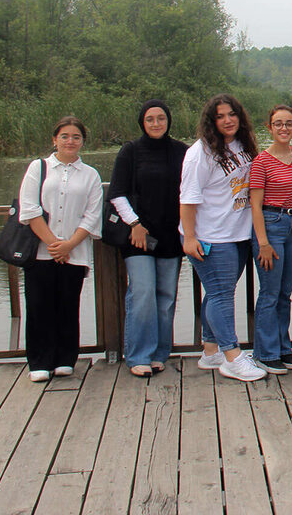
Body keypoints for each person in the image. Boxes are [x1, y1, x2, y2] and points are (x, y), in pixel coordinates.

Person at [181, 94, 264, 382]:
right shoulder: (200, 153)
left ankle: (210, 351)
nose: (227, 120)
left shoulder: (243, 145)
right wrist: (189, 237)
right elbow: (188, 198)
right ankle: (232, 356)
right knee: (221, 295)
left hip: (239, 234)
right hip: (212, 238)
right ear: (211, 121)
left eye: (232, 114)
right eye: (220, 116)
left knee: (217, 293)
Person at [18, 116, 104, 383]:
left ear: (82, 142)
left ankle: (66, 359)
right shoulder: (38, 168)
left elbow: (92, 217)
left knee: (68, 306)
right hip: (40, 251)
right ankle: (40, 361)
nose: (70, 141)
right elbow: (29, 209)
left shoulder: (90, 175)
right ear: (55, 139)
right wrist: (54, 244)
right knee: (39, 306)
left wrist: (69, 245)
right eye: (65, 136)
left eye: (76, 137)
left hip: (75, 253)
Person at [108, 100, 187, 379]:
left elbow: (191, 191)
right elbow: (117, 193)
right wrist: (135, 224)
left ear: (169, 121)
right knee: (142, 293)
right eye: (150, 119)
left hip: (171, 235)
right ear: (142, 122)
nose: (156, 123)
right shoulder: (130, 151)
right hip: (138, 236)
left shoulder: (181, 151)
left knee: (166, 298)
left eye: (161, 118)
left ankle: (158, 353)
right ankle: (138, 354)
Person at [247, 105, 292, 375]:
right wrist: (263, 243)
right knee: (270, 293)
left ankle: (284, 347)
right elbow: (255, 205)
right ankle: (265, 352)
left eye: (289, 123)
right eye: (278, 123)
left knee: (285, 293)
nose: (284, 128)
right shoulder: (261, 162)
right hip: (270, 226)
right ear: (269, 127)